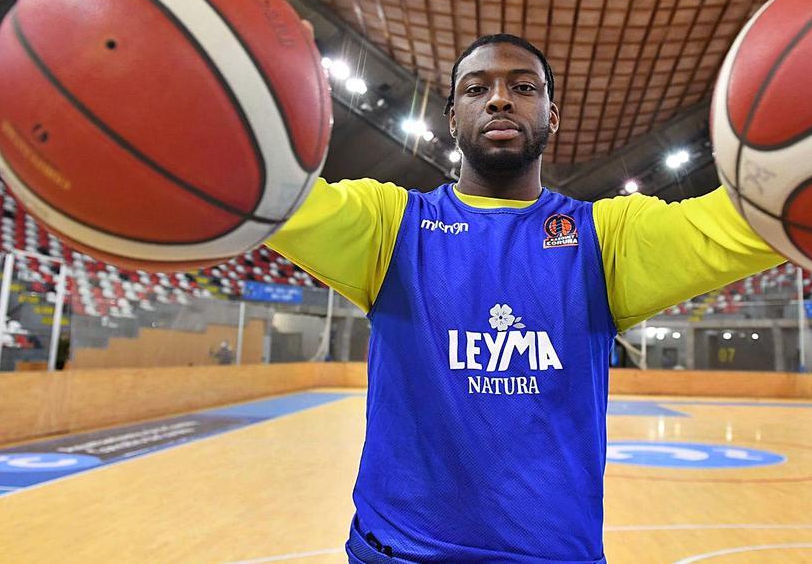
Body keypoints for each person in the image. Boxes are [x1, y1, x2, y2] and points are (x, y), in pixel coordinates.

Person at [267, 34, 783, 563]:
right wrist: (272, 81)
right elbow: (272, 193)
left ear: (551, 116)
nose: (499, 99)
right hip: (400, 553)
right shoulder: (389, 225)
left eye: (522, 86)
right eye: (476, 88)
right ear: (451, 118)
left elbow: (757, 218)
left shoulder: (605, 238)